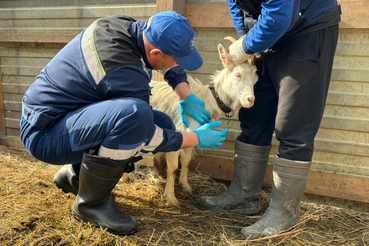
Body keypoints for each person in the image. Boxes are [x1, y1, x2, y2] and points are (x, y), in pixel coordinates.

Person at [20, 11, 228, 235]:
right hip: (44, 134)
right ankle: (91, 205)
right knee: (135, 116)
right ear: (156, 52)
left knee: (163, 122)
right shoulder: (123, 69)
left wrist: (184, 94)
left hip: (62, 116)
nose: (178, 63)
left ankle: (75, 176)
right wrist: (195, 139)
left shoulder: (128, 28)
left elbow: (163, 59)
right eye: (177, 58)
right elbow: (145, 134)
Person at [198, 0, 341, 239]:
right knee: (255, 113)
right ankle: (244, 196)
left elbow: (279, 15)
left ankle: (283, 214)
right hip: (268, 30)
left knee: (293, 123)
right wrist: (246, 38)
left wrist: (246, 45)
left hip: (306, 29)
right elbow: (236, 3)